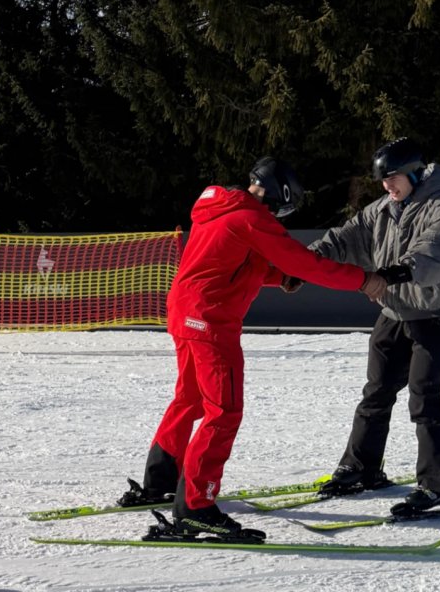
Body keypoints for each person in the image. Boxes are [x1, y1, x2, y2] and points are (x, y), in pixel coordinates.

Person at [117, 157, 387, 540]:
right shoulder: (251, 218)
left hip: (184, 311)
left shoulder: (219, 208)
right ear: (280, 196)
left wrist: (279, 278)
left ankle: (160, 480)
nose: (280, 215)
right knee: (224, 412)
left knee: (189, 399)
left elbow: (232, 260)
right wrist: (364, 281)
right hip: (211, 321)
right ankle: (195, 506)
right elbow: (306, 264)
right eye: (283, 208)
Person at [297, 137, 440, 516]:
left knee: (424, 400)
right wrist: (306, 262)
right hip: (394, 315)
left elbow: (439, 253)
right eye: (382, 180)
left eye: (392, 178)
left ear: (414, 172)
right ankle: (361, 468)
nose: (386, 186)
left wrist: (391, 274)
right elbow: (345, 237)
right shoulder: (382, 209)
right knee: (376, 393)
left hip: (435, 316)